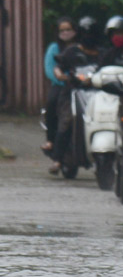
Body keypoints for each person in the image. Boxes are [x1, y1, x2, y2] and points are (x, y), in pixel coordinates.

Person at [41, 16, 77, 173]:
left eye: (68, 29)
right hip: (60, 85)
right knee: (51, 102)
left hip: (79, 85)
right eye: (62, 30)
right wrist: (63, 80)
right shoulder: (54, 48)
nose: (66, 33)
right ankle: (50, 139)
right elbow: (50, 69)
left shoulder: (80, 47)